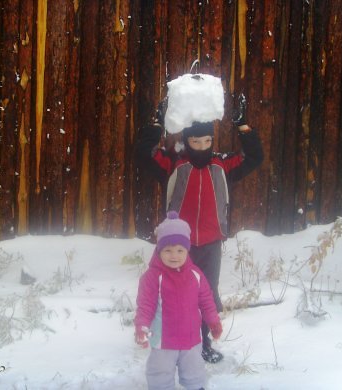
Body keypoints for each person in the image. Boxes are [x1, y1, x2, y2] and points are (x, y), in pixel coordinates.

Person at [135, 93, 263, 363]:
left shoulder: (222, 165)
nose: (202, 146)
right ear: (187, 140)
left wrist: (242, 125)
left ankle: (202, 342)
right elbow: (144, 153)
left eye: (207, 141)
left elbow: (254, 156)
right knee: (175, 295)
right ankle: (169, 342)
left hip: (211, 243)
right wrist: (156, 123)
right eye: (196, 141)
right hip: (178, 246)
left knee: (206, 293)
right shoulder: (174, 164)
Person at [134, 211, 223, 390]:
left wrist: (213, 321)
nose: (174, 255)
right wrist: (142, 326)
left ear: (187, 250)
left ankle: (196, 386)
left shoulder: (195, 274)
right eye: (168, 250)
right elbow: (145, 305)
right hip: (163, 340)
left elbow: (206, 301)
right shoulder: (152, 277)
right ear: (159, 250)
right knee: (160, 370)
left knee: (194, 369)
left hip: (191, 338)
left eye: (180, 250)